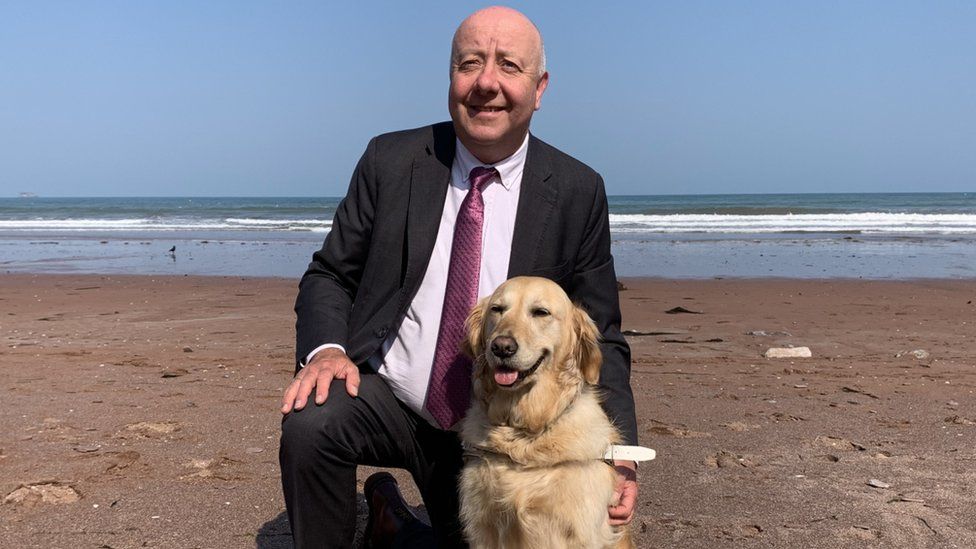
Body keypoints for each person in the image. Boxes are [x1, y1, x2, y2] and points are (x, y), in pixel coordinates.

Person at [279, 6, 638, 548]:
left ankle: (389, 520)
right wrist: (327, 350)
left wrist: (622, 455)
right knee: (313, 422)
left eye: (508, 67)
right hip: (392, 398)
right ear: (451, 77)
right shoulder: (390, 160)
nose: (486, 83)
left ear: (539, 88)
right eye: (470, 63)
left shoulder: (576, 190)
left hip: (493, 425)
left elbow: (601, 333)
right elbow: (330, 274)